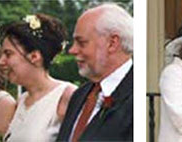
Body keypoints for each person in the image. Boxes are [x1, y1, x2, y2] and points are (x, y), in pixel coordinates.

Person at [56, 3, 133, 142]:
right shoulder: (79, 96)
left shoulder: (135, 97)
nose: (72, 50)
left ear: (112, 43)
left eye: (81, 42)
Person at [0, 14, 77, 142]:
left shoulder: (66, 96)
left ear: (34, 56)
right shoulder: (22, 100)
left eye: (8, 54)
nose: (0, 61)